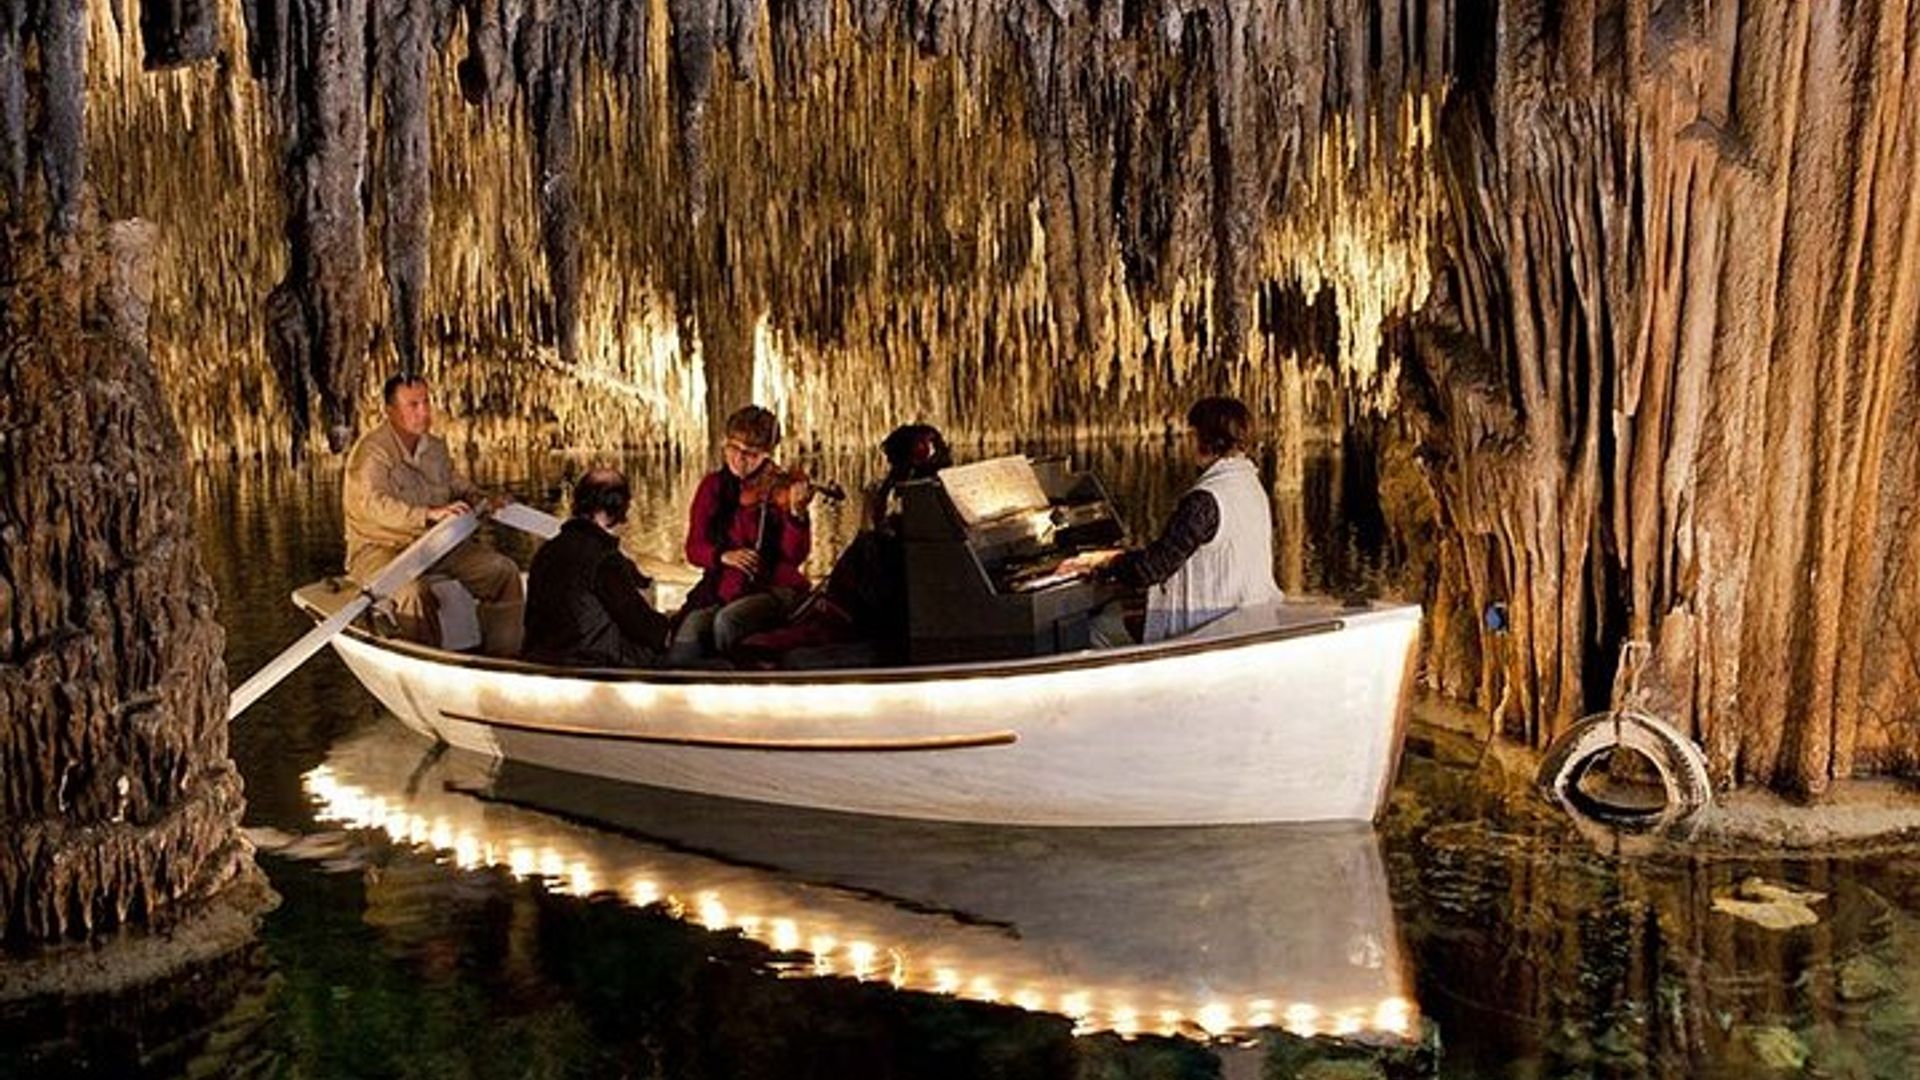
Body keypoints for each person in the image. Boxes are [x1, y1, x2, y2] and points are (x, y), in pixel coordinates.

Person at [733, 424, 953, 668]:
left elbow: (795, 555)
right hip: (867, 613)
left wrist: (797, 515)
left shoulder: (897, 528)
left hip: (873, 617)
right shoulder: (908, 518)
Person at [343, 372, 524, 656]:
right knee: (412, 592)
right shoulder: (370, 453)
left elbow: (454, 483)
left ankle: (506, 659)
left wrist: (482, 497)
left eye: (426, 402)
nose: (424, 411)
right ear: (390, 411)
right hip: (379, 548)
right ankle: (429, 665)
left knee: (503, 572)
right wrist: (427, 514)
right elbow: (372, 505)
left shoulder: (435, 447)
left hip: (434, 545)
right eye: (413, 405)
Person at [1089, 396, 1283, 645]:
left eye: (1192, 434)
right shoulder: (1250, 483)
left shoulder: (1205, 500)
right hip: (1247, 612)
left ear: (1208, 439)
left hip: (1209, 624)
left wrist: (1106, 561)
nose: (1187, 443)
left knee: (1099, 626)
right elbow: (1172, 554)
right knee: (1126, 609)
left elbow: (1153, 568)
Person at [672, 405, 815, 660]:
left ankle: (737, 678)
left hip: (775, 589)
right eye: (733, 448)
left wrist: (797, 514)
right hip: (724, 588)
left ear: (767, 454)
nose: (739, 458)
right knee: (690, 630)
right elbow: (694, 548)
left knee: (728, 621)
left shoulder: (782, 487)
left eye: (751, 454)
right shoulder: (712, 486)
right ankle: (681, 688)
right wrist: (721, 556)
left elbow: (794, 557)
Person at [521, 468, 673, 668]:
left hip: (542, 656)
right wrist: (671, 626)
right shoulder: (605, 560)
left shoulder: (548, 551)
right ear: (621, 507)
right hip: (595, 661)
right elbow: (641, 625)